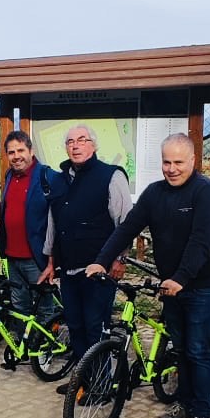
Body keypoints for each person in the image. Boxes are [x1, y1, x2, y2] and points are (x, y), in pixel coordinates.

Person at [86, 132, 210, 418]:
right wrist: (101, 260)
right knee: (181, 347)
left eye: (178, 162)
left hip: (199, 284)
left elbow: (201, 241)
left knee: (198, 350)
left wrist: (181, 278)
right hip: (171, 285)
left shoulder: (206, 193)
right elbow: (127, 228)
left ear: (192, 161)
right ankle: (185, 403)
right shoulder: (154, 193)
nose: (171, 168)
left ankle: (202, 413)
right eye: (166, 162)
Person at [40, 124, 132, 394]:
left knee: (96, 327)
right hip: (68, 269)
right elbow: (52, 223)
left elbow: (126, 223)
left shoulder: (111, 176)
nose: (75, 145)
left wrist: (120, 259)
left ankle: (102, 386)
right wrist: (49, 262)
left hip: (99, 271)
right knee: (76, 327)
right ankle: (83, 378)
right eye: (70, 142)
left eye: (82, 140)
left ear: (93, 145)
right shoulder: (60, 180)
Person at [0, 130, 65, 323]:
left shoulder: (48, 176)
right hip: (13, 257)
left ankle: (43, 350)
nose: (16, 156)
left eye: (21, 150)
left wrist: (53, 259)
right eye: (11, 152)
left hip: (36, 258)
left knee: (44, 307)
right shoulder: (9, 175)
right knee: (19, 307)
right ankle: (25, 350)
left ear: (31, 151)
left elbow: (60, 218)